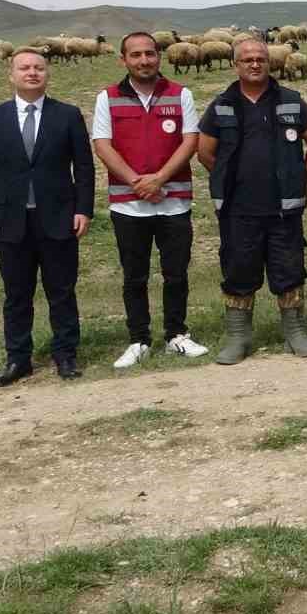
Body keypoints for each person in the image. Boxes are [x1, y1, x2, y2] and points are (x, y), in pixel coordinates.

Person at [197, 37, 307, 364]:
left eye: (261, 59)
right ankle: (238, 337)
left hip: (284, 208)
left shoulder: (291, 100)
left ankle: (295, 333)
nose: (255, 64)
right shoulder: (221, 105)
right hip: (238, 209)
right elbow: (204, 151)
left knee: (289, 269)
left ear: (270, 62)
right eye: (248, 59)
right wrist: (230, 178)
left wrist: (302, 178)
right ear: (236, 64)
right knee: (239, 269)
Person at [0, 49, 95, 387]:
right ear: (10, 75)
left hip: (58, 217)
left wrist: (83, 208)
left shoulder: (68, 115)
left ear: (47, 74)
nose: (32, 73)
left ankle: (66, 355)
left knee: (62, 290)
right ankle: (18, 359)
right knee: (16, 294)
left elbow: (83, 167)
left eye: (38, 68)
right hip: (9, 221)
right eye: (24, 68)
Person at [93, 32, 208, 369]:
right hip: (127, 204)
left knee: (176, 273)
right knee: (135, 276)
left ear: (159, 56)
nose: (144, 61)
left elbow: (190, 141)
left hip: (174, 201)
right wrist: (136, 182)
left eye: (149, 54)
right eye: (136, 55)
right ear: (123, 60)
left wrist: (159, 179)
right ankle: (139, 339)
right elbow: (102, 144)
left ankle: (177, 334)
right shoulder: (108, 97)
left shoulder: (180, 93)